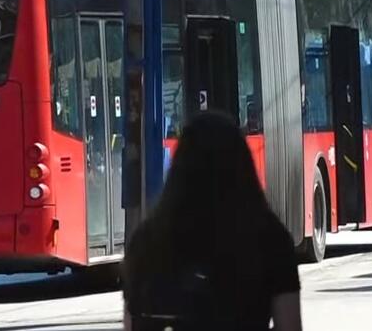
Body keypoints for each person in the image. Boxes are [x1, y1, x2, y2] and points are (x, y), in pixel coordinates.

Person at [123, 111, 302, 331]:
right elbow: (290, 326)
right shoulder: (271, 239)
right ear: (241, 166)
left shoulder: (145, 243)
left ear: (179, 170)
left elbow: (132, 323)